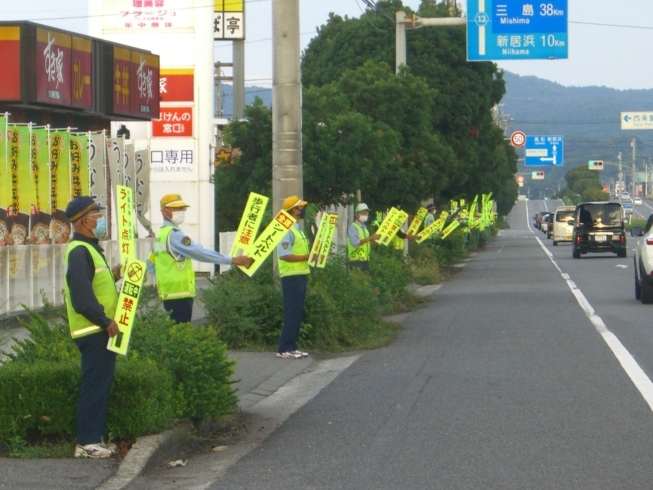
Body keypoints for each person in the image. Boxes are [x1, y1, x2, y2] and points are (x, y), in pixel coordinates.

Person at [64, 196, 121, 459]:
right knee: (94, 386)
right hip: (93, 330)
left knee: (99, 384)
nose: (100, 219)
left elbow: (94, 283)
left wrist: (117, 273)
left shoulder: (88, 248)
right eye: (97, 215)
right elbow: (82, 298)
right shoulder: (79, 251)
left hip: (96, 329)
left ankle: (92, 439)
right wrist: (104, 320)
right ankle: (87, 442)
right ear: (85, 220)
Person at [148, 194, 252, 324]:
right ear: (164, 211)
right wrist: (232, 260)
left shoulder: (161, 235)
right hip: (180, 293)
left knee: (175, 335)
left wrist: (163, 278)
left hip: (168, 294)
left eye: (182, 208)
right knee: (182, 334)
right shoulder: (174, 235)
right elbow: (200, 253)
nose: (180, 212)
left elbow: (150, 263)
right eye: (175, 208)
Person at [276, 195, 311, 359]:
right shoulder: (285, 229)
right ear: (293, 210)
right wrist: (307, 257)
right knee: (292, 312)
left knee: (297, 312)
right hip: (291, 276)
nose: (303, 209)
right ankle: (284, 348)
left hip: (300, 274)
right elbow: (284, 255)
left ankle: (292, 346)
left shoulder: (296, 228)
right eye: (300, 207)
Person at [347, 203, 379, 272]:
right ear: (356, 214)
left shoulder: (364, 228)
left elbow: (368, 245)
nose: (365, 214)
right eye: (363, 213)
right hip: (356, 261)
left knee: (365, 282)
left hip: (365, 260)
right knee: (357, 282)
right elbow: (355, 243)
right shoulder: (353, 227)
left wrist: (376, 240)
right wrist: (370, 238)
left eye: (366, 213)